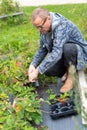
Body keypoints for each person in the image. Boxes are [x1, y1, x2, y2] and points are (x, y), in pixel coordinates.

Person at [28, 7, 87, 93]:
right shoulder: (44, 29)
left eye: (40, 26)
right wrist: (33, 65)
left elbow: (57, 52)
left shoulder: (61, 25)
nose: (39, 30)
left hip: (80, 55)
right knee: (47, 70)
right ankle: (67, 72)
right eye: (37, 27)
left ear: (48, 18)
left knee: (68, 48)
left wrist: (37, 71)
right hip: (64, 55)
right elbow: (42, 49)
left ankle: (71, 78)